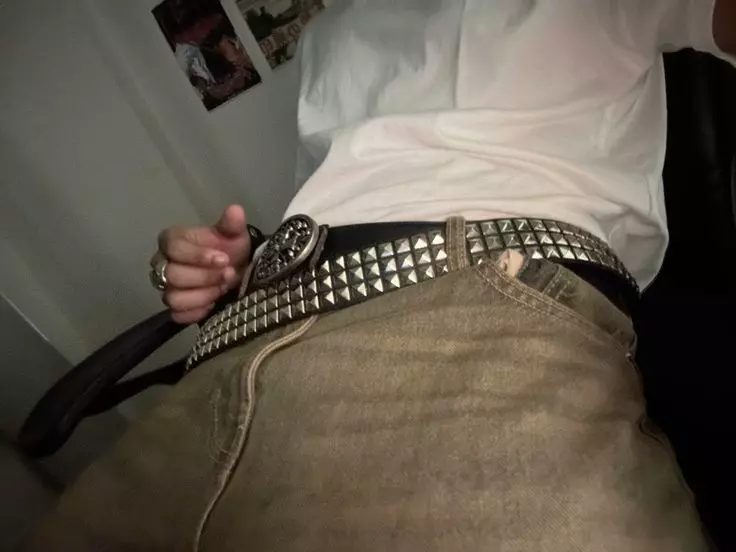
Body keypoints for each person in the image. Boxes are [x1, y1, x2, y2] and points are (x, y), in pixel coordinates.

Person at [29, 1, 736, 551]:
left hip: (481, 324)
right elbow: (342, 201)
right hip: (234, 360)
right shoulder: (328, 35)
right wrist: (240, 264)